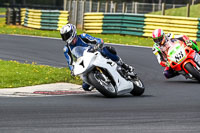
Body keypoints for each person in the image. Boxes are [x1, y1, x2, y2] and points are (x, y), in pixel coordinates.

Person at [60, 24, 134, 91]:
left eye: (66, 35)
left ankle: (123, 65)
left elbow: (96, 40)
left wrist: (98, 44)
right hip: (85, 63)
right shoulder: (66, 49)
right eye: (64, 36)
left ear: (72, 32)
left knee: (106, 51)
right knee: (85, 87)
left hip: (94, 54)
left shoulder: (83, 36)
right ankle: (99, 82)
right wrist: (72, 70)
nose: (65, 37)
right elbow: (70, 62)